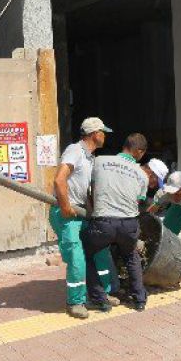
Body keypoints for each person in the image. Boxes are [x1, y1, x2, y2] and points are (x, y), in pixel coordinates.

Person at [50, 117, 117, 319]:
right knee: (77, 258)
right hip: (66, 214)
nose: (104, 136)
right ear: (94, 134)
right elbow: (59, 179)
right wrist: (64, 206)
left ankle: (100, 294)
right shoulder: (75, 151)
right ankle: (76, 301)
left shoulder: (90, 158)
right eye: (102, 132)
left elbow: (85, 190)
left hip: (80, 212)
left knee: (100, 252)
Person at [82, 133, 152, 311]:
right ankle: (139, 300)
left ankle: (99, 298)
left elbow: (89, 189)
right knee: (131, 257)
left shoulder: (99, 161)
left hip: (103, 222)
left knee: (89, 255)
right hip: (128, 224)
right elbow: (139, 200)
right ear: (139, 151)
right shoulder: (142, 175)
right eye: (142, 154)